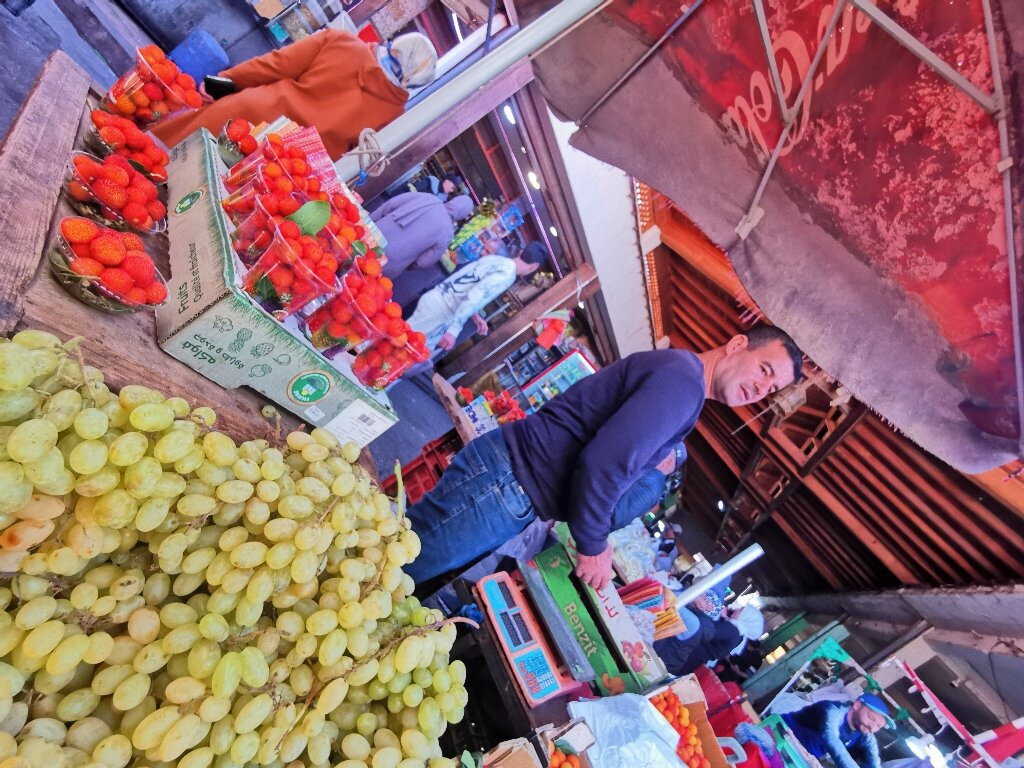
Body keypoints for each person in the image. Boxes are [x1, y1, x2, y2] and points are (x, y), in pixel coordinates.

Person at [403, 325, 804, 586]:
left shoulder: (684, 383)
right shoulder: (683, 383)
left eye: (772, 389)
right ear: (736, 344)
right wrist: (593, 546)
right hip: (507, 483)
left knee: (407, 575)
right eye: (765, 370)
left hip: (512, 486)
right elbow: (606, 463)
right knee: (394, 567)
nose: (761, 388)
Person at [152, 30, 437, 159]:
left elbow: (273, 65)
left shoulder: (341, 41)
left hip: (241, 117)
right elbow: (355, 158)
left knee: (156, 162)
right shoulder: (394, 114)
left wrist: (222, 82)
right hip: (275, 163)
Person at [405, 246, 548, 354]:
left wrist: (475, 316)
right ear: (533, 266)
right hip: (441, 312)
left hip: (436, 299)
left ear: (521, 251)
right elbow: (475, 294)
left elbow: (469, 287)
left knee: (399, 347)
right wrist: (453, 330)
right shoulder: (508, 274)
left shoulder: (497, 260)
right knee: (399, 354)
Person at [370, 192, 474, 284]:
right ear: (462, 216)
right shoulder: (448, 233)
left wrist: (371, 219)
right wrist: (410, 265)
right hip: (387, 263)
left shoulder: (429, 198)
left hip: (373, 235)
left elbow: (392, 203)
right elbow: (424, 262)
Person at [781, 694, 894, 768]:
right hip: (781, 735)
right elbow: (831, 739)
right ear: (857, 705)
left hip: (800, 756)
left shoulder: (865, 733)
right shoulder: (831, 710)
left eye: (879, 726)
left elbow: (873, 760)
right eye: (872, 718)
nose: (873, 728)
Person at [652, 604, 763, 676]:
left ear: (747, 618)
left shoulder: (733, 630)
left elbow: (706, 631)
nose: (737, 608)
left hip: (685, 655)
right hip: (690, 661)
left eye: (742, 610)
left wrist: (699, 609)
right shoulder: (738, 636)